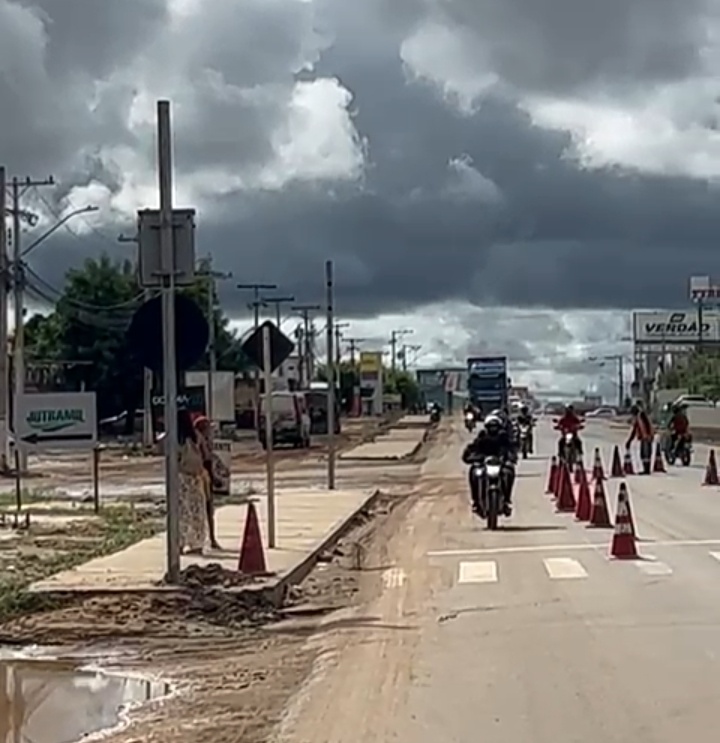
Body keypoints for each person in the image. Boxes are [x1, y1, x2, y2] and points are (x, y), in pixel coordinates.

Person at [462, 413, 518, 517]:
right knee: (473, 473)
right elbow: (472, 448)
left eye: (495, 426)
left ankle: (506, 499)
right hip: (484, 464)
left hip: (500, 464)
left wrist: (511, 458)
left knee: (509, 472)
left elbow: (511, 449)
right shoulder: (482, 437)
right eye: (491, 427)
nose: (493, 429)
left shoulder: (503, 437)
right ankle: (476, 501)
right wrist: (469, 456)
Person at [177, 409, 208, 555]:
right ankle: (197, 543)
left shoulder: (177, 439)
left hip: (181, 476)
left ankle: (180, 542)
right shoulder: (196, 436)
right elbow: (205, 454)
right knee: (197, 510)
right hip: (196, 476)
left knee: (182, 511)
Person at [193, 414, 222, 550]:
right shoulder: (199, 442)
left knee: (208, 510)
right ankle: (209, 539)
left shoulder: (202, 442)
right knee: (206, 510)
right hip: (202, 478)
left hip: (205, 478)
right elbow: (206, 461)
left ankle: (211, 539)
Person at [626, 403, 654, 475]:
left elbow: (643, 427)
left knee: (645, 454)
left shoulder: (640, 417)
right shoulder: (641, 416)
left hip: (646, 437)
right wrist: (629, 441)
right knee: (645, 454)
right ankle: (646, 469)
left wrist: (647, 436)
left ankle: (646, 470)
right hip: (646, 437)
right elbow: (635, 430)